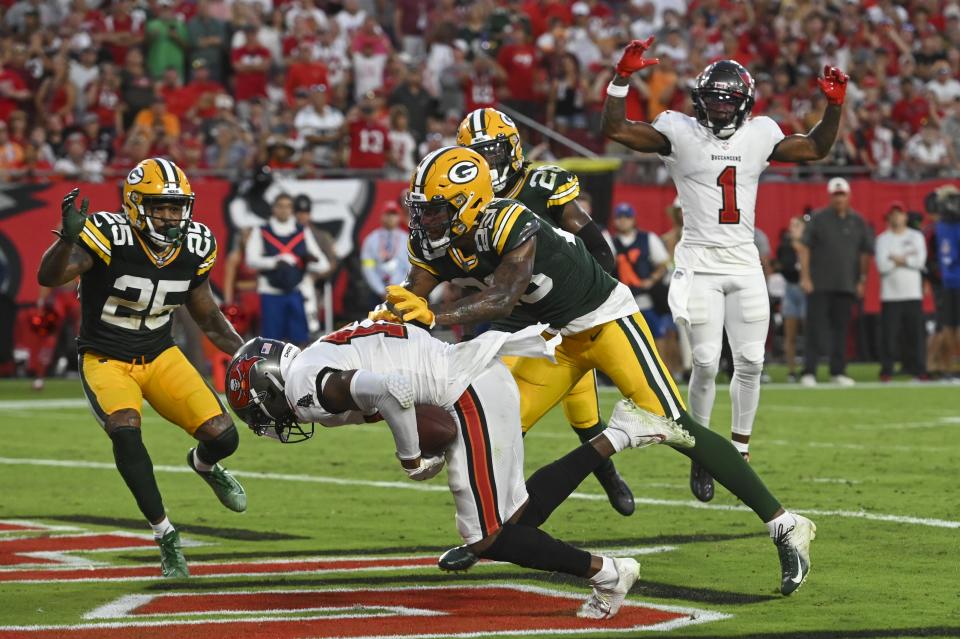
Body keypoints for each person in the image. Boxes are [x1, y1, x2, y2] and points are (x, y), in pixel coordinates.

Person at [378, 146, 816, 595]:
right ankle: (493, 533)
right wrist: (377, 328)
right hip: (551, 335)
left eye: (435, 211)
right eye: (423, 210)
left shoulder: (508, 221)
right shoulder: (432, 242)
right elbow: (409, 298)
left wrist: (432, 317)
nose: (425, 221)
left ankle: (787, 525)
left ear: (468, 204)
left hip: (604, 320)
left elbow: (503, 297)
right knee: (490, 430)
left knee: (677, 427)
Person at [225, 322, 695, 619]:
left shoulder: (306, 389)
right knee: (516, 518)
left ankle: (609, 573)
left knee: (485, 538)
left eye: (255, 407)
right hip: (479, 376)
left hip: (465, 392)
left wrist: (411, 457)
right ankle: (620, 435)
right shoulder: (317, 356)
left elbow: (390, 390)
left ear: (269, 381)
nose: (261, 419)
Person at [601, 37, 847, 500]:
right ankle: (700, 451)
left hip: (744, 261)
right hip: (698, 261)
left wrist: (834, 106)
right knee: (705, 360)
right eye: (711, 99)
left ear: (744, 104)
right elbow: (617, 129)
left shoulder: (760, 134)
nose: (716, 108)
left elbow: (815, 148)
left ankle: (739, 449)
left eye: (726, 100)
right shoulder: (678, 130)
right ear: (698, 102)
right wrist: (620, 80)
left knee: (752, 361)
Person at [36, 158, 246, 578]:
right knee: (126, 431)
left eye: (176, 206)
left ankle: (204, 464)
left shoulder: (196, 245)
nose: (170, 216)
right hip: (106, 358)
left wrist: (248, 356)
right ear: (134, 205)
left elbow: (207, 317)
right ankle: (165, 535)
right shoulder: (109, 235)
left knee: (224, 438)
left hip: (160, 354)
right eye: (159, 206)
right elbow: (49, 277)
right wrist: (65, 242)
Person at [455, 107, 633, 517]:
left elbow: (600, 250)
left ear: (514, 149)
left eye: (495, 153)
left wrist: (583, 305)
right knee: (500, 415)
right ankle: (495, 511)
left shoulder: (542, 185)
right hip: (514, 320)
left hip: (562, 314)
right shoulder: (468, 202)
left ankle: (607, 475)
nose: (490, 163)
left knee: (584, 413)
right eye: (479, 157)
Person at [798, 178, 874, 387]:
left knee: (841, 330)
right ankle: (809, 371)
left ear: (848, 196)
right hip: (819, 283)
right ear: (830, 196)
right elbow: (805, 248)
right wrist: (805, 277)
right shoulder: (819, 218)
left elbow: (865, 252)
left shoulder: (858, 221)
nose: (839, 198)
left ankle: (837, 371)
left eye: (842, 195)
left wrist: (862, 279)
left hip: (846, 284)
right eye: (835, 195)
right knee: (814, 328)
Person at [245, 193, 329, 345]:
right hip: (270, 293)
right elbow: (251, 260)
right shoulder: (261, 230)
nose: (284, 210)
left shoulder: (302, 231)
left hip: (296, 292)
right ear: (274, 209)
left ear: (292, 209)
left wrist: (306, 262)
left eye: (288, 206)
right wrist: (276, 262)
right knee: (271, 343)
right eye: (280, 206)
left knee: (300, 341)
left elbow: (323, 263)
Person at [875, 202, 927, 381]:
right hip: (890, 295)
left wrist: (897, 259)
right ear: (889, 217)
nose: (897, 217)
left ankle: (919, 370)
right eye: (894, 214)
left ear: (906, 217)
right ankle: (886, 371)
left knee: (915, 335)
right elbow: (882, 266)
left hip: (912, 293)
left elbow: (920, 262)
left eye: (900, 214)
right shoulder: (882, 239)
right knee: (889, 336)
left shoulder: (916, 236)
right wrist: (905, 259)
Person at [360, 201, 409, 307]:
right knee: (376, 322)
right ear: (382, 216)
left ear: (399, 217)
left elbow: (410, 268)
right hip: (377, 294)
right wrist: (381, 290)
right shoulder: (371, 240)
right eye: (388, 214)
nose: (391, 217)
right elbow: (368, 268)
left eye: (394, 214)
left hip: (401, 292)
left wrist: (398, 289)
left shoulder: (407, 240)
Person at [776, 217, 807, 383]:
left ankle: (809, 368)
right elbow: (784, 266)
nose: (792, 228)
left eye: (797, 225)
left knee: (809, 332)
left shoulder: (809, 245)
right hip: (791, 288)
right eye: (792, 225)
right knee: (790, 333)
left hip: (806, 290)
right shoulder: (785, 247)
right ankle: (791, 370)